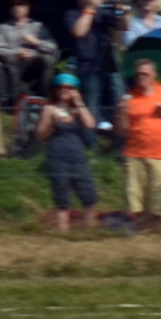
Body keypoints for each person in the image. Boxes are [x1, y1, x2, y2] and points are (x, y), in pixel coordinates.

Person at [118, 57, 161, 225]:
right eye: (139, 74)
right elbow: (121, 130)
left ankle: (154, 230)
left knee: (157, 197)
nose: (142, 77)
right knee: (134, 197)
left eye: (145, 74)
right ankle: (138, 229)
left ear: (154, 75)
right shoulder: (129, 97)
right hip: (134, 153)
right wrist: (122, 113)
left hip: (160, 153)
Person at [36, 72, 97, 232]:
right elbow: (40, 136)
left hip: (77, 155)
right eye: (61, 87)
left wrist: (78, 103)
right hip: (58, 155)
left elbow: (90, 124)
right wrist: (52, 123)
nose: (65, 90)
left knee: (88, 193)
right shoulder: (49, 109)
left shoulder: (77, 110)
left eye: (69, 87)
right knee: (61, 194)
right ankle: (63, 231)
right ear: (56, 90)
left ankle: (88, 230)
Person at [66, 0, 126, 130]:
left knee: (121, 99)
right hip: (88, 63)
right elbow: (79, 32)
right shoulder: (72, 13)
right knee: (91, 102)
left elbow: (123, 26)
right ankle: (90, 144)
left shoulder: (103, 11)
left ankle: (121, 139)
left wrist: (121, 11)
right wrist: (90, 9)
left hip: (109, 60)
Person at [0, 0, 57, 105]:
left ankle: (43, 95)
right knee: (8, 64)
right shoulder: (2, 28)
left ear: (28, 8)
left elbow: (53, 47)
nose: (17, 8)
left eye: (21, 5)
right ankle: (13, 101)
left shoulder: (38, 26)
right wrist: (17, 52)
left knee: (47, 60)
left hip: (35, 61)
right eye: (13, 5)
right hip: (13, 62)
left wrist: (37, 42)